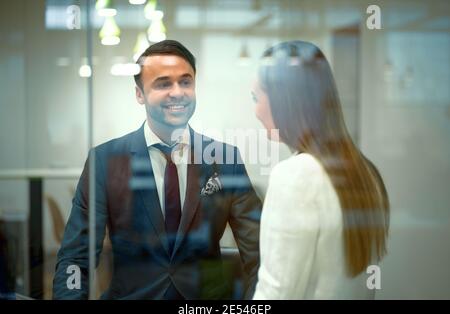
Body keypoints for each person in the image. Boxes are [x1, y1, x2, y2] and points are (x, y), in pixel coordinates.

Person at [53, 40, 261, 300]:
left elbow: (260, 252)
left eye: (186, 82)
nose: (177, 92)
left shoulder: (225, 159)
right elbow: (76, 257)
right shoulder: (104, 161)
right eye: (163, 83)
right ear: (139, 94)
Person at [251, 41, 390, 299]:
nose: (256, 110)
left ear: (284, 98)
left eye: (256, 97)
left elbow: (276, 293)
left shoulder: (294, 175)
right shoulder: (365, 172)